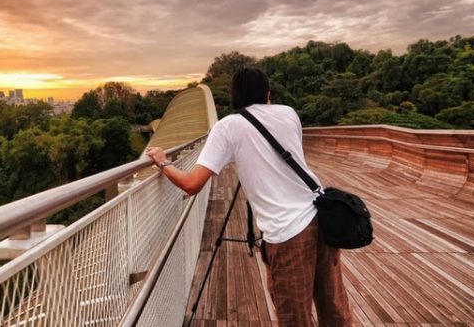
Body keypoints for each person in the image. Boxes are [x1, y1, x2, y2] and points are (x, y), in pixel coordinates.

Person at [145, 67, 353, 327]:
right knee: (334, 310)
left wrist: (164, 163)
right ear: (268, 93)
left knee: (294, 317)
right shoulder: (289, 114)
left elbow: (192, 184)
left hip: (287, 232)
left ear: (234, 96)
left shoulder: (228, 127)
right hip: (321, 220)